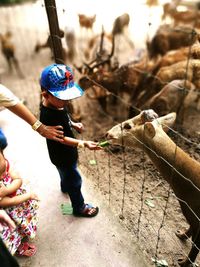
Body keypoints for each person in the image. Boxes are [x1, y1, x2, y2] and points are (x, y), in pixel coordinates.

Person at [40, 63, 101, 217]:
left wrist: (73, 123)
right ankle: (79, 208)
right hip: (63, 154)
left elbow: (64, 117)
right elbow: (61, 138)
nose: (67, 101)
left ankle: (64, 186)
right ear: (45, 95)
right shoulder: (48, 115)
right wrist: (82, 143)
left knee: (64, 174)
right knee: (75, 180)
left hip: (59, 155)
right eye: (63, 97)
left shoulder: (57, 105)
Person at [0, 149, 39, 257]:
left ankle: (24, 231)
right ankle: (18, 246)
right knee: (11, 232)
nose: (3, 176)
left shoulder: (4, 164)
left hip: (19, 204)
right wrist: (28, 196)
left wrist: (7, 190)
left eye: (4, 171)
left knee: (24, 219)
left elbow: (18, 179)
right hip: (7, 214)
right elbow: (10, 201)